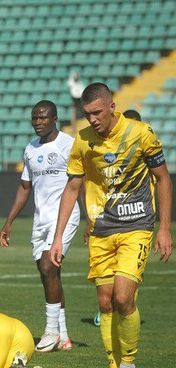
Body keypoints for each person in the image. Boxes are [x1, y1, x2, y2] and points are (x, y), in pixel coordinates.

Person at [49, 83, 172, 368]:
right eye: (87, 114)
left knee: (122, 298)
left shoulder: (140, 133)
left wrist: (164, 228)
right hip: (102, 230)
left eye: (97, 113)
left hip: (137, 226)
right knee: (104, 304)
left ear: (112, 106)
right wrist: (59, 238)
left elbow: (163, 179)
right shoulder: (83, 141)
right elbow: (72, 188)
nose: (92, 120)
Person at [0, 100, 79, 352]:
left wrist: (91, 219)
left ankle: (51, 331)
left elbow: (81, 184)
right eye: (34, 118)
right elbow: (25, 187)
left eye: (43, 118)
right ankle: (64, 337)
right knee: (49, 275)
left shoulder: (69, 144)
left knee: (48, 267)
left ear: (54, 118)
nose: (37, 122)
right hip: (40, 219)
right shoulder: (31, 149)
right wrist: (9, 221)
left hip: (65, 217)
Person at [91, 108, 143, 327]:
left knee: (125, 286)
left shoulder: (142, 151)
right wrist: (91, 221)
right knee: (108, 290)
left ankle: (126, 308)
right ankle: (111, 310)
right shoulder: (109, 151)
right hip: (107, 222)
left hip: (136, 223)